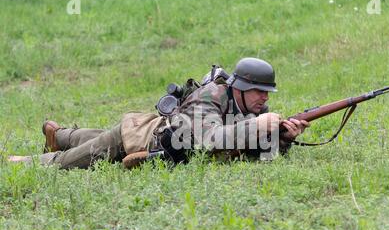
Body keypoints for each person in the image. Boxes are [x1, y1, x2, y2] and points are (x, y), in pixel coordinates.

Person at [8, 57, 311, 169]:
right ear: (240, 87)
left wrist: (282, 139)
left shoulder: (253, 109)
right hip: (139, 139)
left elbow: (252, 152)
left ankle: (58, 135)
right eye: (258, 91)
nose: (263, 99)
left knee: (89, 139)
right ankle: (24, 162)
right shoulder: (210, 98)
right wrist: (259, 126)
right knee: (70, 163)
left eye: (266, 93)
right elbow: (210, 140)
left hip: (153, 134)